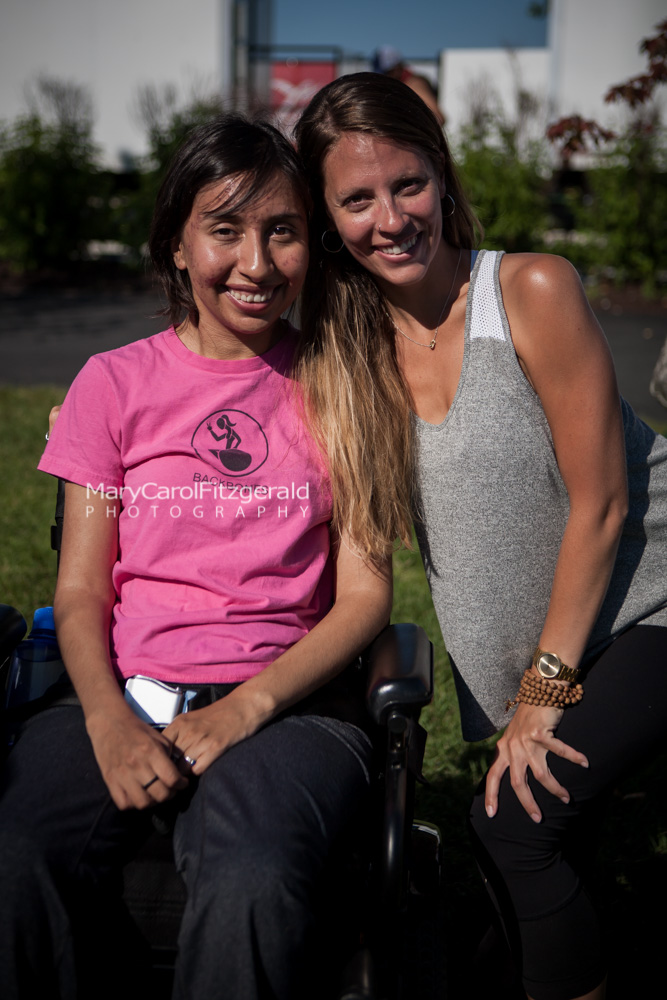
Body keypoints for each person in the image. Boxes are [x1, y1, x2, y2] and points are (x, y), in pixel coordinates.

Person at [0, 113, 391, 1000]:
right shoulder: (111, 384)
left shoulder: (342, 385)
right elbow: (80, 588)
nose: (255, 263)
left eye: (282, 231)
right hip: (125, 687)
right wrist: (104, 718)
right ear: (177, 245)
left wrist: (244, 710)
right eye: (224, 230)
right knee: (15, 855)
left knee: (250, 879)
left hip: (290, 705)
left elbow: (365, 598)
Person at [293, 72, 667, 1000]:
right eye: (356, 198)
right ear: (326, 214)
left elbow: (604, 508)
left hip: (646, 605)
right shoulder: (349, 350)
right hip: (540, 652)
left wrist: (542, 696)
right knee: (527, 867)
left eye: (408, 183)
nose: (390, 217)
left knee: (512, 827)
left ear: (443, 176)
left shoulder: (530, 289)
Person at [371, 46, 445, 125]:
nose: (384, 78)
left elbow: (438, 118)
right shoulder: (399, 87)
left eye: (387, 73)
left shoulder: (413, 84)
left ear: (397, 68)